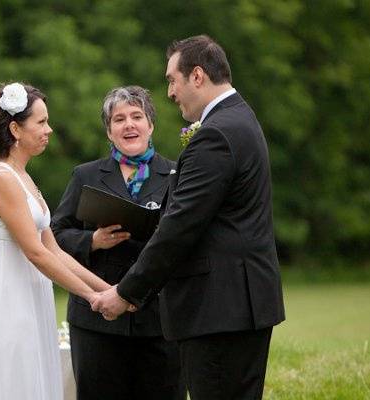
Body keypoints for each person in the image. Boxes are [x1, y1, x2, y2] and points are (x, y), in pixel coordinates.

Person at [93, 35, 286, 399]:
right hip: (239, 305)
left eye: (172, 80)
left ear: (197, 76)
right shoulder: (241, 119)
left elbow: (179, 228)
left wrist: (126, 292)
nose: (169, 92)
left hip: (219, 311)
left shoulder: (216, 134)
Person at [0, 82, 110, 400]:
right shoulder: (3, 179)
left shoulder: (23, 177)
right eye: (41, 122)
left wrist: (106, 289)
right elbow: (35, 252)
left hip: (29, 295)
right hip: (8, 298)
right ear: (15, 129)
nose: (49, 129)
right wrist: (92, 298)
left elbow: (53, 249)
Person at [51, 86, 185, 400]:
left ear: (150, 125)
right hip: (96, 319)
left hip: (160, 321)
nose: (129, 124)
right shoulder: (86, 175)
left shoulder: (177, 174)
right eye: (119, 119)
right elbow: (55, 236)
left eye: (137, 116)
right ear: (109, 131)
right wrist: (92, 241)